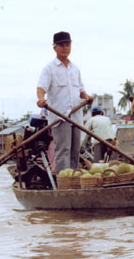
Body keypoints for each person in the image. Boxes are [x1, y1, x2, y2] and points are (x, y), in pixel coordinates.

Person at [36, 31, 93, 171]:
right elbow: (41, 87)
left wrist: (86, 96)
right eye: (61, 45)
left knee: (75, 151)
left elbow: (81, 90)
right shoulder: (49, 68)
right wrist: (41, 99)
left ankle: (73, 179)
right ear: (55, 48)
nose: (65, 48)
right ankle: (63, 180)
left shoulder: (75, 69)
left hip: (76, 117)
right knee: (63, 150)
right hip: (60, 117)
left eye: (67, 44)